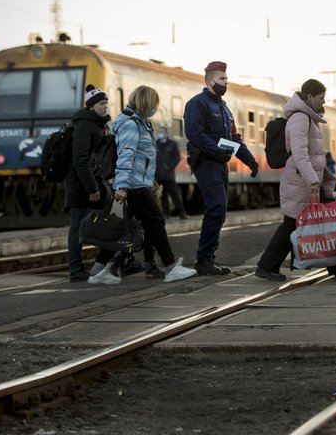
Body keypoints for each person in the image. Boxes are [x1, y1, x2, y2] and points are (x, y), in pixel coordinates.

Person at [254, 79, 336, 282]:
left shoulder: (308, 118)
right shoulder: (300, 118)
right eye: (321, 97)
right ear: (309, 97)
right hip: (302, 180)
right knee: (292, 223)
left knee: (324, 220)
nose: (324, 102)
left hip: (308, 179)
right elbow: (299, 152)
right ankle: (266, 266)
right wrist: (312, 179)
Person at [89, 85, 197, 284]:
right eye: (153, 103)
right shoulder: (131, 124)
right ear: (145, 102)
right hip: (132, 184)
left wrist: (151, 180)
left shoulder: (139, 122)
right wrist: (121, 185)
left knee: (120, 227)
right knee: (155, 221)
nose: (155, 107)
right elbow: (126, 155)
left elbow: (142, 157)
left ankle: (97, 271)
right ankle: (171, 266)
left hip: (137, 182)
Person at [184, 61, 259, 275]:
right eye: (222, 79)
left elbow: (234, 138)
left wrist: (249, 160)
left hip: (219, 163)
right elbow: (194, 132)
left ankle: (208, 258)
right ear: (210, 81)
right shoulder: (198, 104)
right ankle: (204, 259)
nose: (226, 82)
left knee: (220, 211)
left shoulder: (224, 109)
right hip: (206, 162)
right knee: (216, 207)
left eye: (226, 79)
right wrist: (215, 150)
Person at [65, 84, 113, 282]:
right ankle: (76, 269)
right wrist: (91, 187)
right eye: (102, 103)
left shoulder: (97, 125)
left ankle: (105, 262)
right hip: (81, 184)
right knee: (77, 226)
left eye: (106, 103)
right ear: (92, 105)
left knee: (107, 220)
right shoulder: (83, 126)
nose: (105, 107)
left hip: (94, 182)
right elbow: (80, 159)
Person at [156, 126, 188, 220]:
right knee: (163, 196)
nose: (160, 134)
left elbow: (177, 158)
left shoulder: (172, 144)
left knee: (175, 195)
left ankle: (182, 213)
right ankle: (166, 214)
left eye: (162, 132)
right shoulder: (157, 144)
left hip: (168, 175)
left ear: (166, 134)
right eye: (159, 132)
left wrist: (169, 167)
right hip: (159, 175)